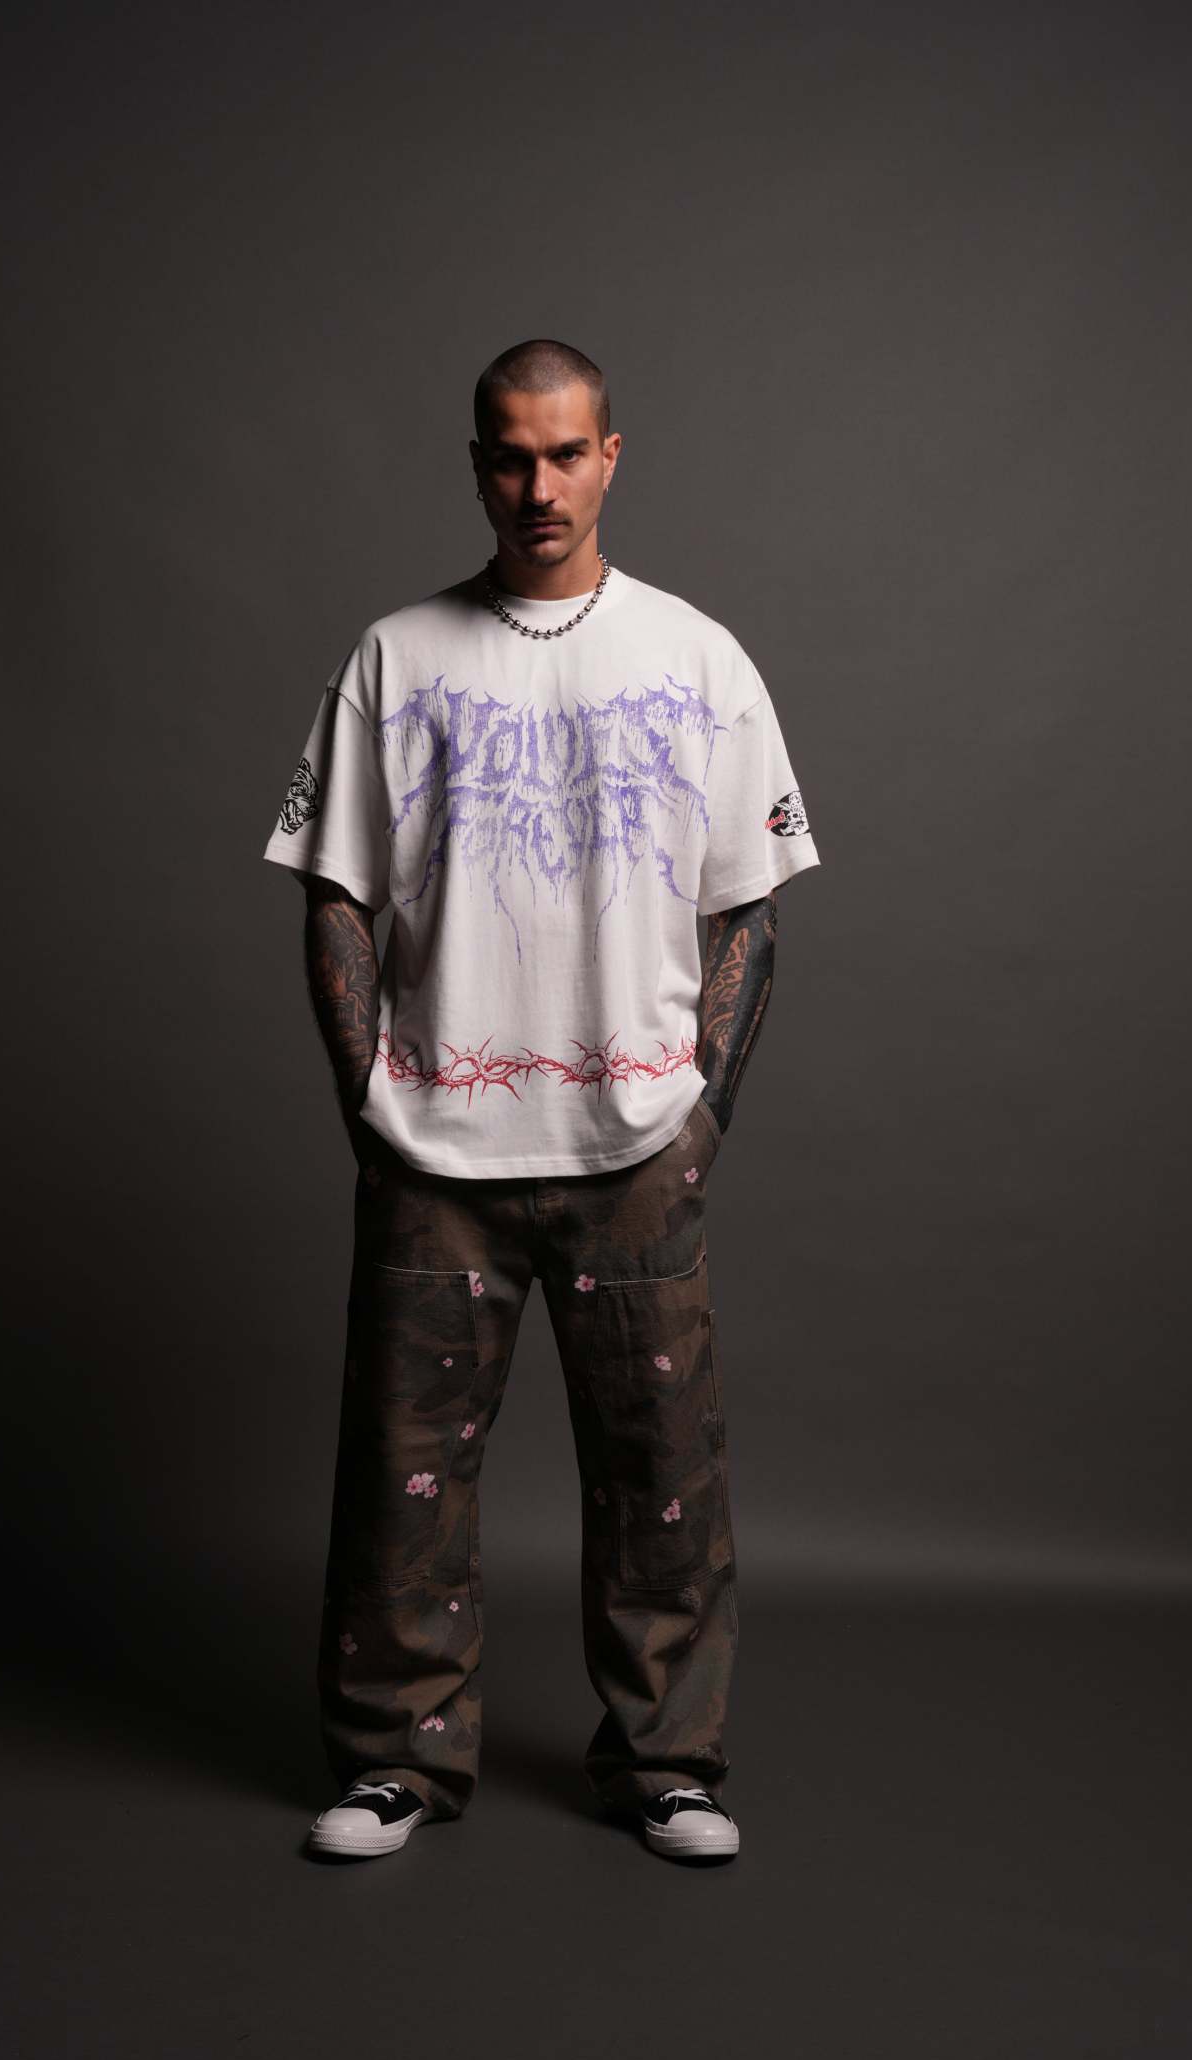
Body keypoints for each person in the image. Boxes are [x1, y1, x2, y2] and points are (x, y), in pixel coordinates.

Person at [262, 339, 820, 1863]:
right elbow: (333, 894)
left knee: (662, 1475)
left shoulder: (697, 657)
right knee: (403, 1478)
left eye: (565, 453)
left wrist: (702, 1113)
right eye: (509, 455)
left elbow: (750, 907)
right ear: (476, 466)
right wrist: (368, 1095)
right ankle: (393, 1763)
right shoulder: (395, 657)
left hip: (635, 1144)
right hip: (434, 1144)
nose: (538, 485)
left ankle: (667, 1764)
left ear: (610, 457)